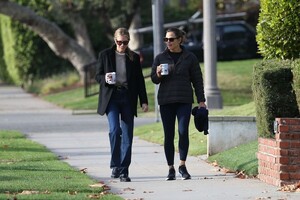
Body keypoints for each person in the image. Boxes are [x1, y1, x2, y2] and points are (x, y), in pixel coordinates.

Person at [151, 27, 206, 181]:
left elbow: (197, 80)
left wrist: (201, 101)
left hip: (184, 100)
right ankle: (170, 168)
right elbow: (154, 79)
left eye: (171, 39)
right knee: (168, 135)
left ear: (180, 40)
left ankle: (182, 165)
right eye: (166, 39)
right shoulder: (160, 57)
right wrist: (158, 73)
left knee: (183, 132)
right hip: (166, 101)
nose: (168, 42)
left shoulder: (190, 57)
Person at [95, 27, 148, 182]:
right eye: (119, 42)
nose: (122, 45)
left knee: (127, 134)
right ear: (115, 40)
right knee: (114, 130)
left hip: (127, 97)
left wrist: (143, 101)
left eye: (125, 42)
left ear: (128, 41)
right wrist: (105, 78)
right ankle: (115, 165)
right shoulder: (105, 55)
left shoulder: (134, 57)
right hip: (111, 97)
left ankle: (124, 170)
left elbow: (139, 81)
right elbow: (97, 76)